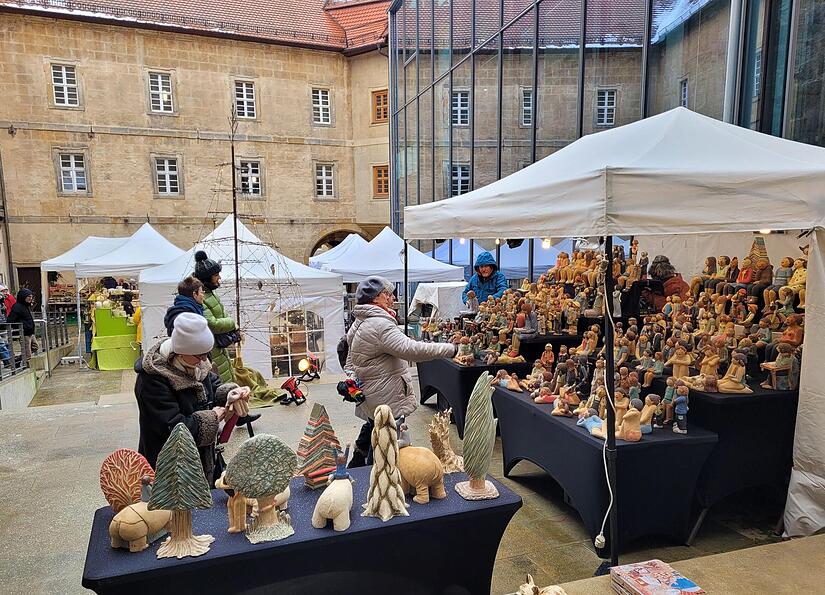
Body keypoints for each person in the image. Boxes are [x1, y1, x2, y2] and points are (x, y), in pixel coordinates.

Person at [345, 276, 458, 467]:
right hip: (386, 395)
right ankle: (377, 479)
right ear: (374, 299)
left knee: (375, 428)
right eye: (386, 294)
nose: (391, 298)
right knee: (385, 443)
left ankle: (358, 467)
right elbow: (412, 350)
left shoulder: (362, 321)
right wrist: (451, 349)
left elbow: (350, 358)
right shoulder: (380, 324)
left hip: (374, 393)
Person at [134, 313, 226, 481]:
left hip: (202, 458)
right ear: (180, 352)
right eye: (200, 355)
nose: (204, 360)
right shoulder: (152, 380)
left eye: (207, 353)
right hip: (170, 464)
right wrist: (211, 419)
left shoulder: (196, 361)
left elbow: (211, 385)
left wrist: (229, 393)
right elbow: (171, 427)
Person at [193, 250, 237, 384]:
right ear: (207, 278)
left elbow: (221, 314)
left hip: (218, 347)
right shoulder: (201, 298)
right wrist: (232, 323)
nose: (219, 278)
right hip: (212, 349)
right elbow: (212, 323)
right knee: (221, 382)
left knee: (227, 377)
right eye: (216, 275)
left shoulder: (211, 294)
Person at [7, 289, 36, 363]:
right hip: (24, 332)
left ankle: (19, 359)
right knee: (27, 351)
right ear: (23, 297)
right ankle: (26, 365)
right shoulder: (17, 307)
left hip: (30, 332)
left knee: (35, 347)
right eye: (29, 296)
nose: (31, 298)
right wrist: (19, 327)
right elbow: (10, 320)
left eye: (31, 296)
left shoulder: (26, 306)